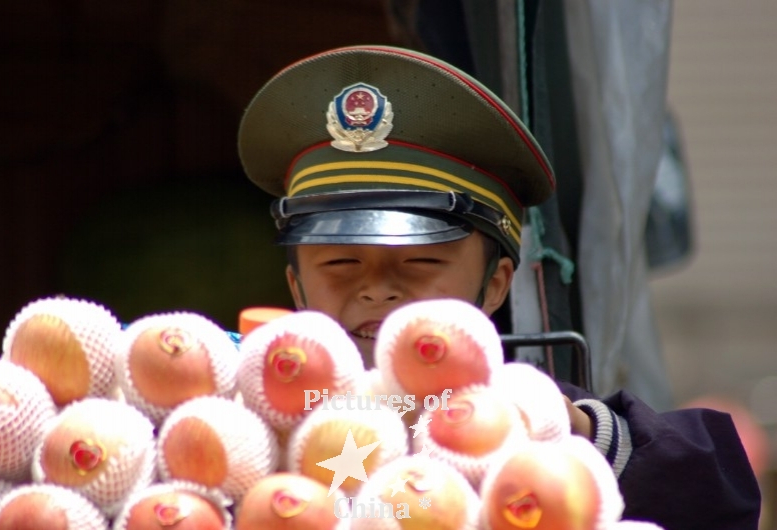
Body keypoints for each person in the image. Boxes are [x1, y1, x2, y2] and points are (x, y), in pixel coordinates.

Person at [237, 45, 760, 529]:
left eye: (420, 260)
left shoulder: (540, 421)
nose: (377, 291)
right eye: (341, 261)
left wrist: (575, 428)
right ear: (297, 288)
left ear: (496, 284)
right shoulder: (242, 430)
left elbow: (718, 493)